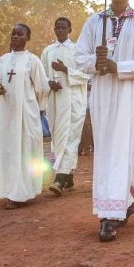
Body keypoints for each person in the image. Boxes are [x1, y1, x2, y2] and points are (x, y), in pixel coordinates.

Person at [75, 0, 134, 242]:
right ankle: (123, 201)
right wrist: (96, 63)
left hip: (128, 93)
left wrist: (118, 67)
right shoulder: (95, 22)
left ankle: (108, 216)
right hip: (101, 92)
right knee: (106, 148)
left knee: (121, 147)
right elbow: (80, 56)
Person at [0, 23, 49, 209]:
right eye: (13, 33)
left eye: (20, 34)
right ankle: (9, 191)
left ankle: (22, 192)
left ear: (27, 38)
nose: (15, 37)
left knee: (25, 152)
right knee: (8, 151)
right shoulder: (3, 60)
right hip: (6, 115)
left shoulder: (33, 61)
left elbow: (42, 88)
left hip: (26, 115)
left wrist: (33, 107)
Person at [41, 17, 89, 196]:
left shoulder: (78, 50)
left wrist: (65, 69)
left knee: (70, 138)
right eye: (57, 27)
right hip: (54, 101)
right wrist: (49, 84)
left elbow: (86, 76)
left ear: (70, 29)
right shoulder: (47, 51)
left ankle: (60, 179)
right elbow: (42, 76)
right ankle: (68, 176)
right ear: (54, 29)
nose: (60, 30)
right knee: (58, 138)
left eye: (63, 28)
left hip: (73, 101)